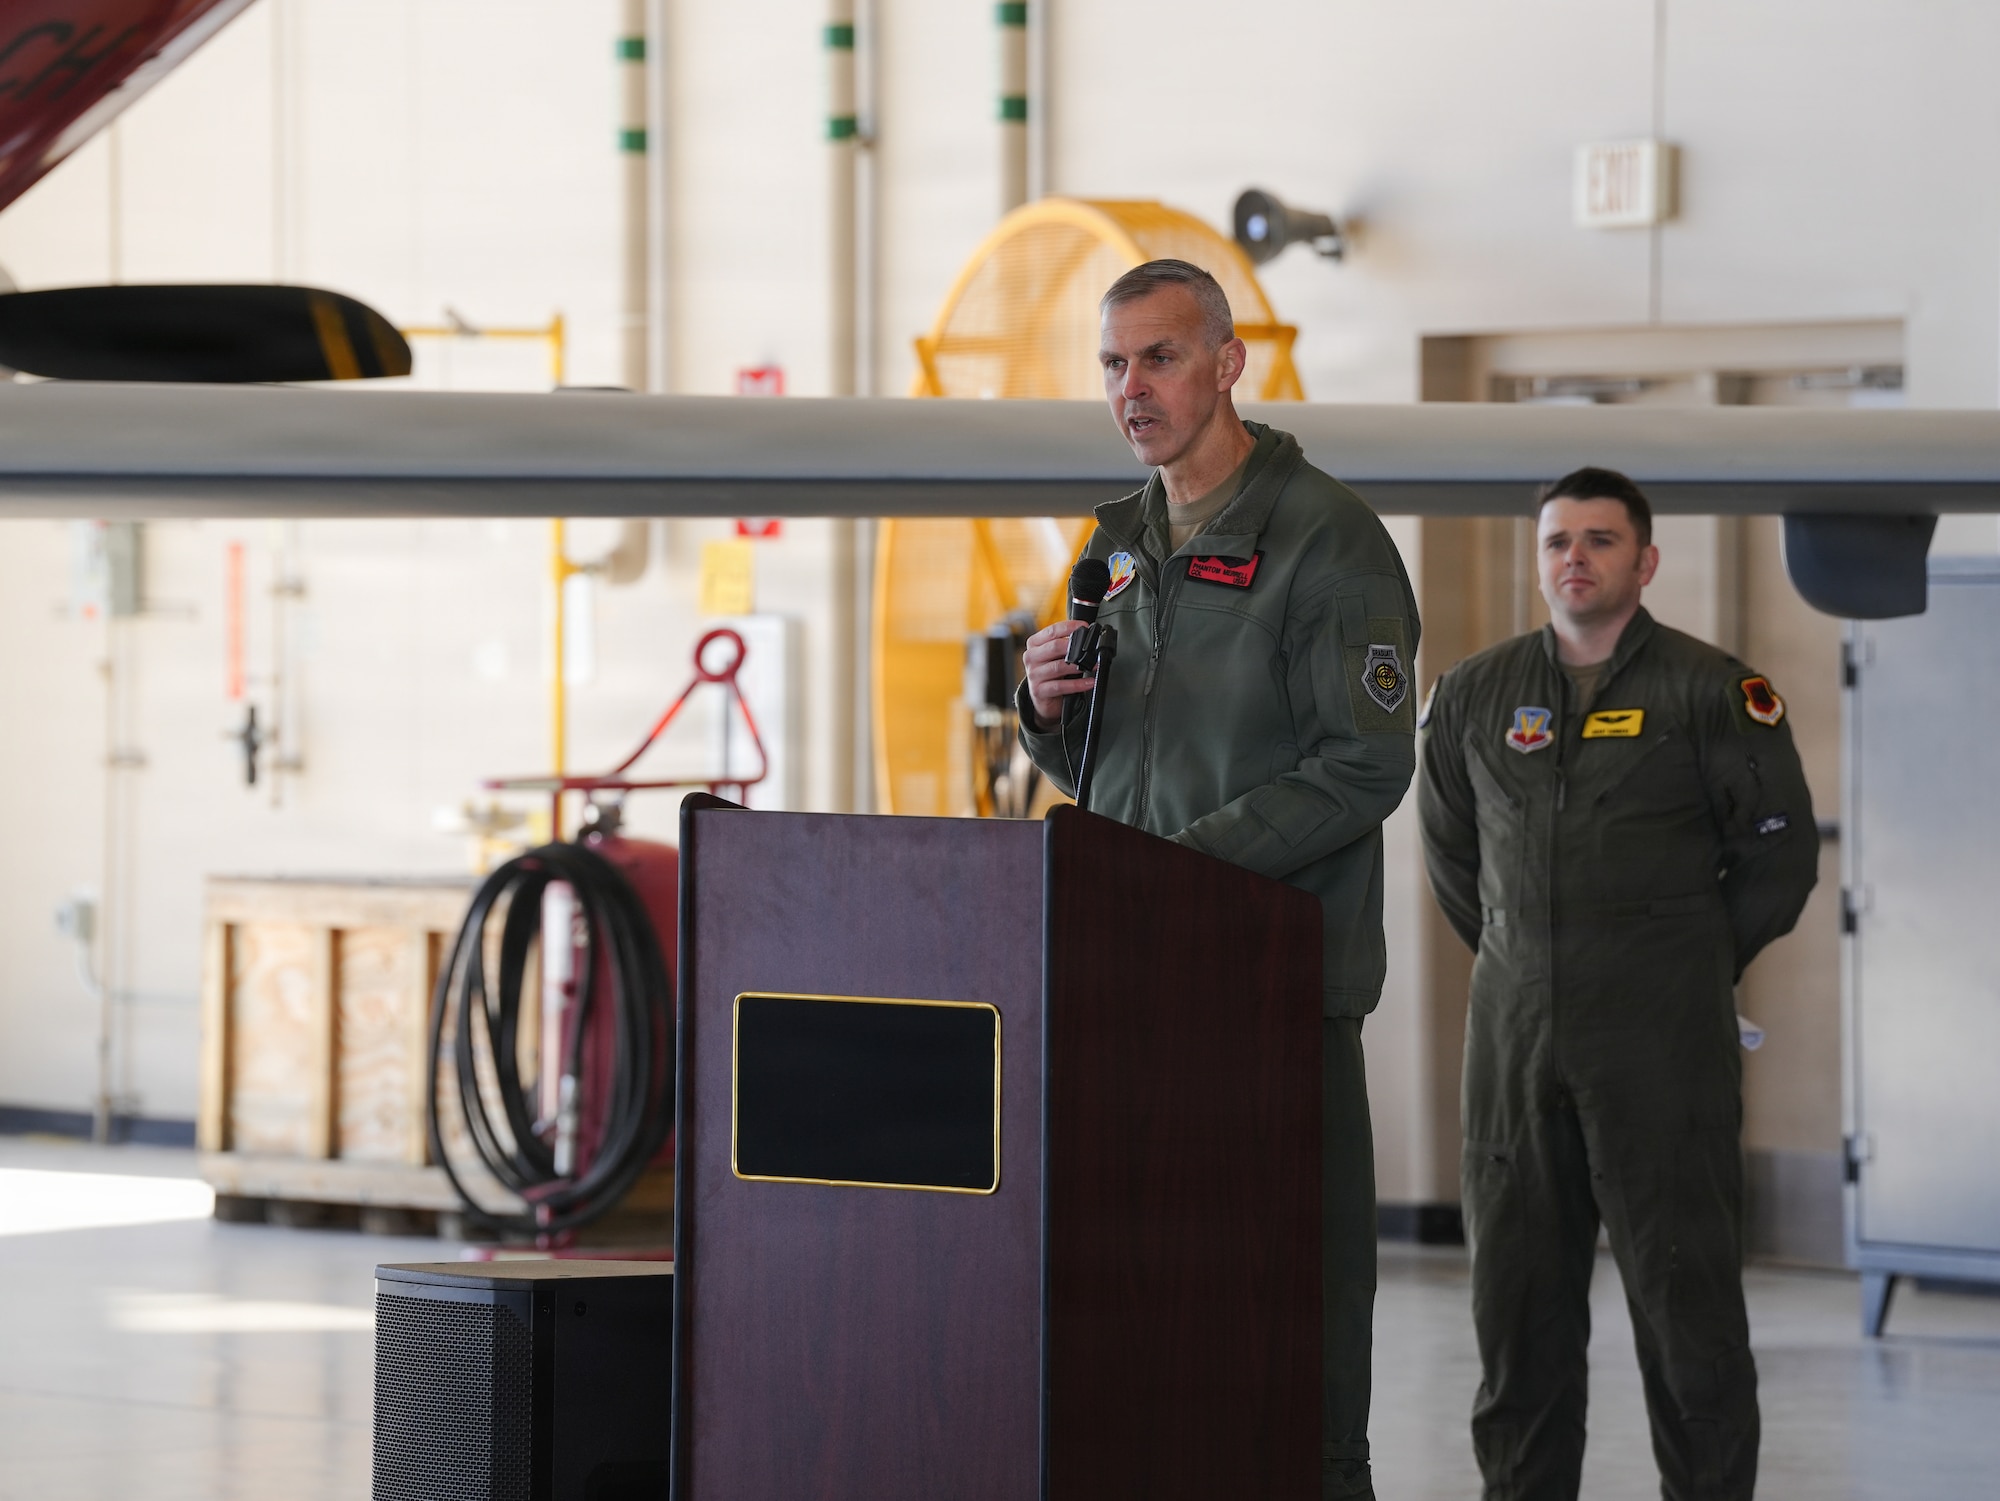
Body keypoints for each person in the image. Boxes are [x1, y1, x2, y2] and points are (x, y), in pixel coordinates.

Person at [1018, 257, 1420, 1501]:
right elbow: (1104, 758)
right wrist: (1038, 713)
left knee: (1278, 1339)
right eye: (1111, 363)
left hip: (1264, 1005)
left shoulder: (1326, 542)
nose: (1129, 388)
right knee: (1138, 1334)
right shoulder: (1117, 542)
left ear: (1229, 362)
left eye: (1158, 356)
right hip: (1127, 997)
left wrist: (1172, 879)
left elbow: (1360, 769)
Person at [1416, 467, 1820, 1501]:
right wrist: (1532, 954)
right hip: (1512, 1053)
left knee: (1687, 1328)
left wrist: (1678, 962)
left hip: (1660, 1052)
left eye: (1598, 540)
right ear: (1536, 557)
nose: (1573, 558)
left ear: (1643, 562)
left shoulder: (1710, 691)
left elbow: (1777, 862)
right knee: (1516, 1328)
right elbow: (1456, 866)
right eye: (1556, 541)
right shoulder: (1472, 694)